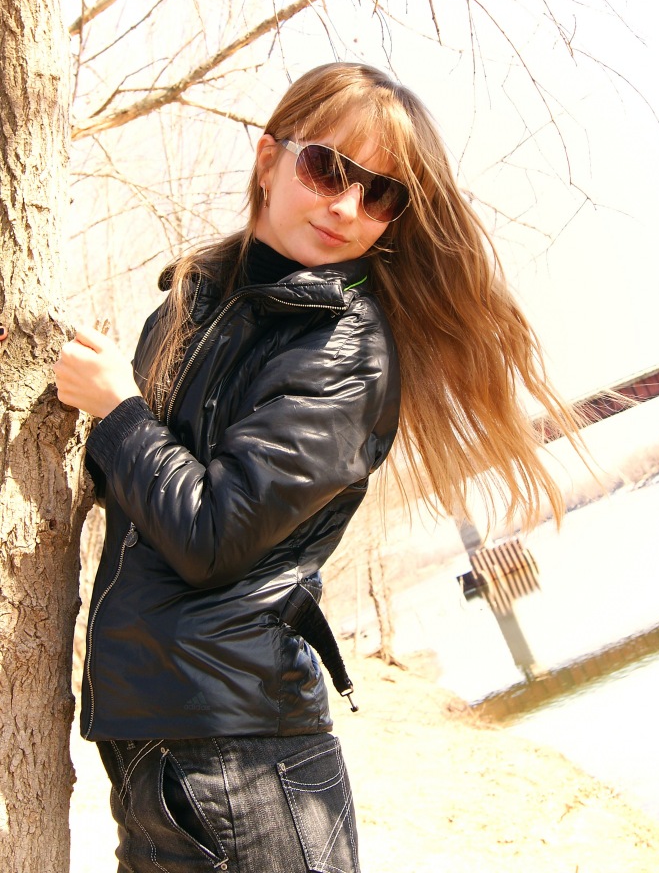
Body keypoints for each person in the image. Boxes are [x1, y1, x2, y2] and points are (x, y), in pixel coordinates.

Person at [54, 62, 579, 873]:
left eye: (381, 195)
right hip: (158, 743)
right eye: (328, 169)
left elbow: (211, 534)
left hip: (241, 762)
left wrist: (118, 410)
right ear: (268, 159)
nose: (346, 207)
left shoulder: (343, 351)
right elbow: (134, 489)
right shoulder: (194, 301)